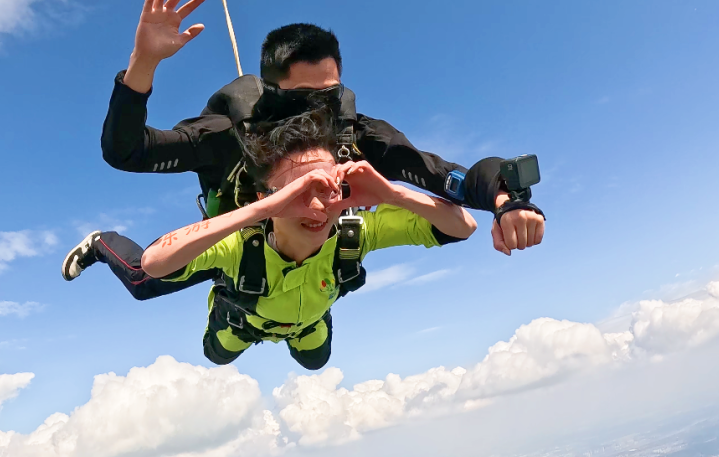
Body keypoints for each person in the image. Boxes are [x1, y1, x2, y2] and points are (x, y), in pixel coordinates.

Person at [85, 0, 544, 296]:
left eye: (329, 95)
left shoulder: (357, 135)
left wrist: (507, 200)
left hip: (315, 241)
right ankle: (100, 243)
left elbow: (447, 176)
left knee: (314, 346)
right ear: (270, 91)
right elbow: (128, 152)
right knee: (145, 281)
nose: (318, 112)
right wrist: (143, 62)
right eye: (304, 98)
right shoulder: (228, 135)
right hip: (239, 237)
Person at [65, 109, 477, 368]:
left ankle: (304, 324)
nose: (317, 209)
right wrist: (262, 209)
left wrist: (391, 193)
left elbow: (463, 227)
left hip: (307, 323)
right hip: (242, 322)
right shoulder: (242, 245)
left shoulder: (355, 232)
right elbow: (155, 262)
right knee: (212, 350)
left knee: (316, 360)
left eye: (327, 190)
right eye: (298, 194)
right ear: (271, 197)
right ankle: (103, 243)